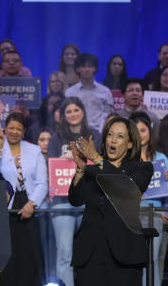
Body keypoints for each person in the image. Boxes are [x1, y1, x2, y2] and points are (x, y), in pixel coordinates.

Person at [68, 116, 153, 285]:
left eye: (120, 136)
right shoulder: (92, 170)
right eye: (110, 134)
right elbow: (76, 200)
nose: (113, 140)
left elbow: (127, 191)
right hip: (90, 253)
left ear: (130, 144)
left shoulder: (141, 168)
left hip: (124, 255)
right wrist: (80, 169)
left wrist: (97, 159)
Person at [46, 97, 101, 286]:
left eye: (76, 110)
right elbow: (50, 168)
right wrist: (64, 158)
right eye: (68, 111)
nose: (73, 114)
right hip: (62, 202)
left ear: (83, 112)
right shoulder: (56, 138)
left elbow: (103, 164)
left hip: (90, 200)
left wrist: (80, 155)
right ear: (63, 116)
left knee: (92, 252)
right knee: (64, 254)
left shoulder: (95, 135)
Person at [0, 113, 46, 286]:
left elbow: (42, 182)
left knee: (29, 252)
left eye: (19, 129)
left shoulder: (35, 150)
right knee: (7, 253)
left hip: (29, 206)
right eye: (11, 128)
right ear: (4, 129)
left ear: (24, 132)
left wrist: (32, 203)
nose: (14, 132)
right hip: (4, 209)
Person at [130, 111, 167, 286]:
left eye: (143, 130)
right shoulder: (124, 160)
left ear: (150, 132)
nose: (140, 135)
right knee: (131, 262)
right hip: (129, 216)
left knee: (151, 259)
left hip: (155, 215)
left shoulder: (161, 159)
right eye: (136, 131)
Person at [64, 57, 114, 133]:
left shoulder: (105, 91)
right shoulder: (70, 92)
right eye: (83, 66)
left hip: (100, 133)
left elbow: (109, 115)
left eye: (90, 66)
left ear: (95, 69)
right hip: (77, 132)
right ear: (78, 69)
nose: (87, 69)